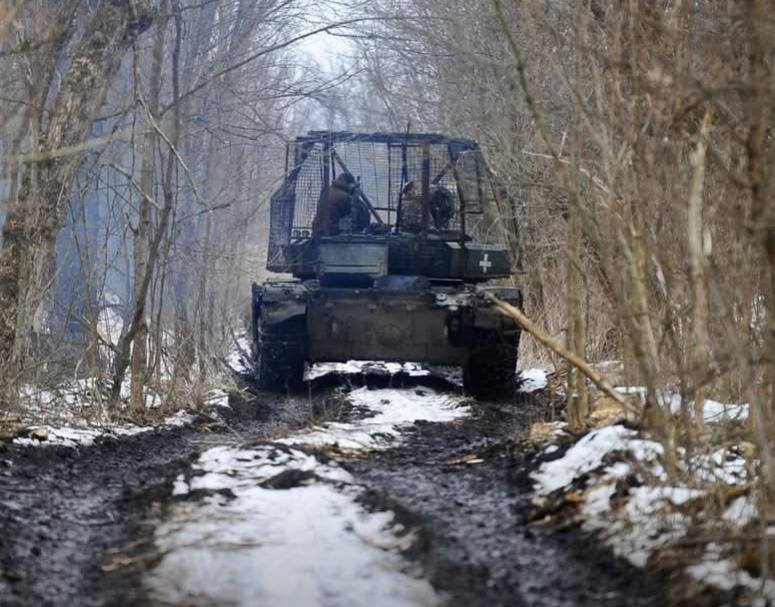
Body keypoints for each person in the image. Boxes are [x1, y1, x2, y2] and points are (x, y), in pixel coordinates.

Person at [312, 172, 356, 237]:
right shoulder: (344, 196)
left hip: (317, 229)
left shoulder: (326, 190)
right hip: (332, 230)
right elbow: (349, 214)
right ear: (350, 184)